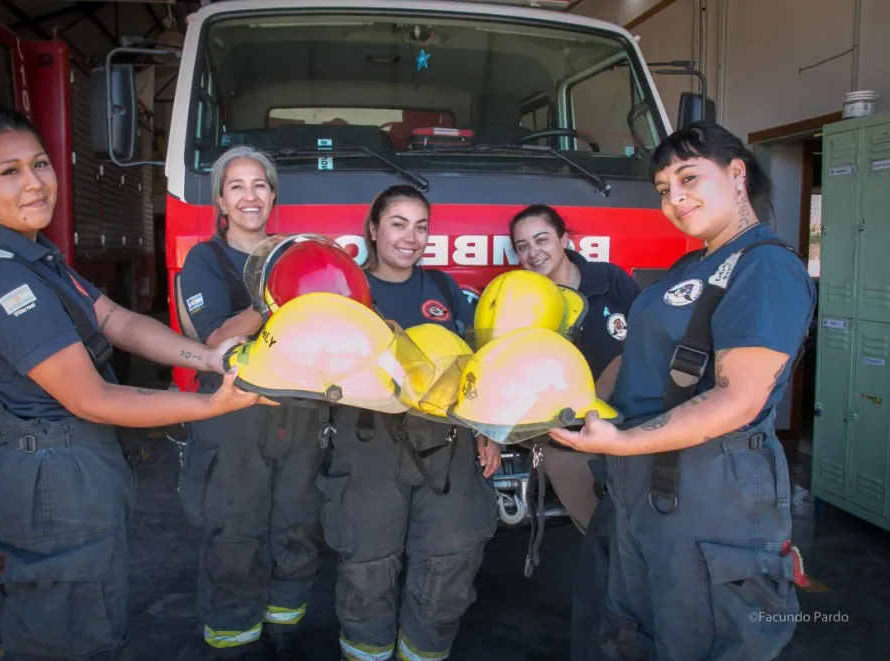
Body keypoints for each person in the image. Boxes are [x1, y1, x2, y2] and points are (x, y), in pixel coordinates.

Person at [0, 107, 271, 661]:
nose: (35, 183)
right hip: (52, 483)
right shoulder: (0, 281)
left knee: (85, 623)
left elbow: (118, 320)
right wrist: (213, 404)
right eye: (10, 172)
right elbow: (93, 397)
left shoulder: (38, 259)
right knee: (67, 640)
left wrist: (210, 358)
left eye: (40, 164)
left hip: (71, 475)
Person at [550, 120, 816, 661]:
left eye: (690, 178)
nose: (675, 198)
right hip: (639, 484)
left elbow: (738, 399)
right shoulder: (690, 265)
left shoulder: (764, 267)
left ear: (737, 174)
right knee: (627, 631)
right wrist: (561, 404)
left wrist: (622, 443)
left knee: (698, 639)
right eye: (664, 189)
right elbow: (636, 358)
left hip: (709, 489)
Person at [317, 184, 501, 661]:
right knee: (367, 565)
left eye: (421, 227)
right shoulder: (345, 291)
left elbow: (477, 368)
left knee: (450, 561)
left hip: (448, 446)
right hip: (367, 441)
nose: (411, 237)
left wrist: (489, 430)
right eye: (398, 224)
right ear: (373, 230)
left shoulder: (443, 290)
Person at [176, 146, 325, 661]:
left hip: (298, 411)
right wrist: (274, 299)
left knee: (297, 524)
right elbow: (216, 336)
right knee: (235, 532)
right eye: (236, 186)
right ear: (220, 199)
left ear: (273, 194)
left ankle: (283, 629)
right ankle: (233, 639)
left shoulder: (300, 256)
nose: (249, 196)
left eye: (259, 185)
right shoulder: (205, 260)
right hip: (232, 413)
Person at [509, 204, 640, 660]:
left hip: (632, 420)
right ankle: (622, 618)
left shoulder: (612, 279)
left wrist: (604, 396)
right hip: (566, 433)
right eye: (522, 246)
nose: (532, 252)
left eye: (541, 239)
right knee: (609, 532)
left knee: (646, 523)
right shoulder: (518, 297)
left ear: (564, 239)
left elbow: (645, 341)